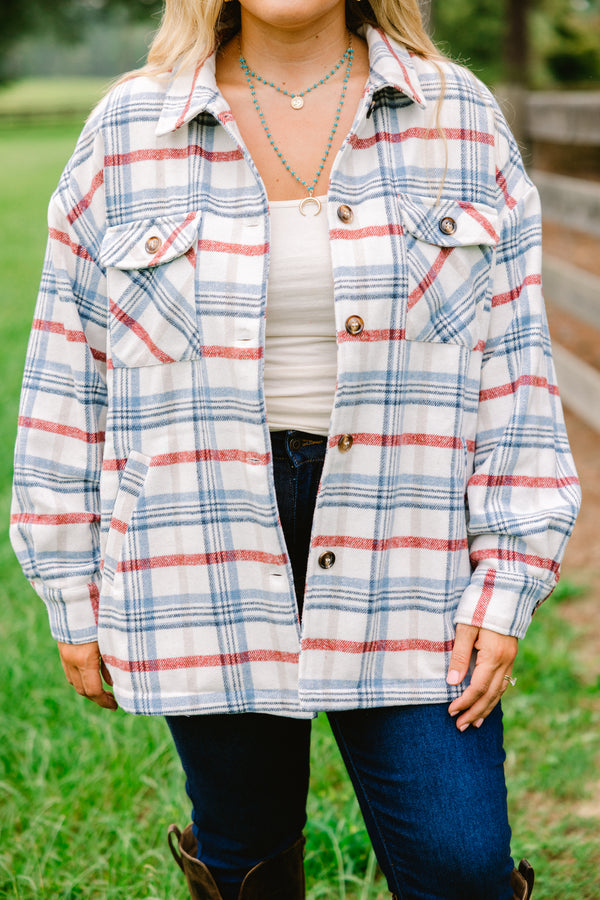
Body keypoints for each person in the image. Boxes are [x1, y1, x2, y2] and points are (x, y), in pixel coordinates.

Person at [10, 1, 580, 898]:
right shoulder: (128, 127)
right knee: (248, 859)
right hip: (200, 546)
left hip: (409, 538)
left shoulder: (458, 117)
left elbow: (514, 371)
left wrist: (510, 573)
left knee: (460, 863)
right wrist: (68, 588)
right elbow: (66, 376)